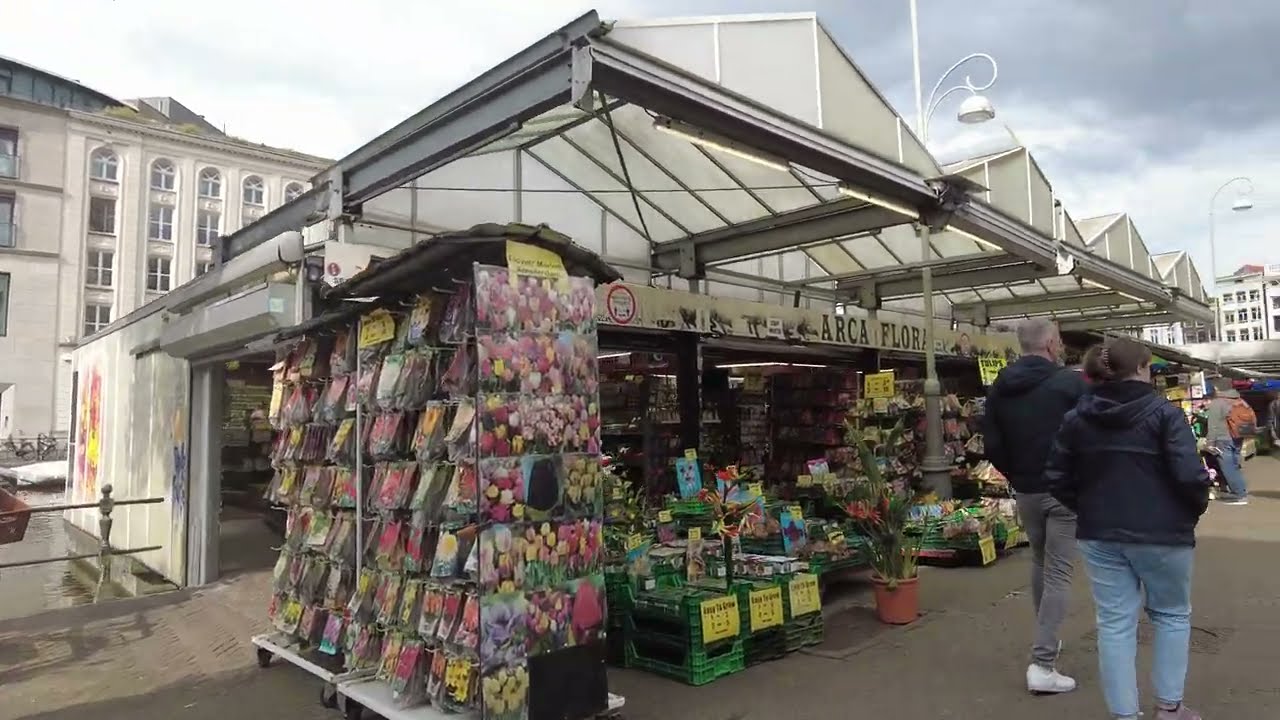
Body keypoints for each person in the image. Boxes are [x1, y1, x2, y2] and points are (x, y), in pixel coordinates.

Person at [1045, 338, 1210, 720]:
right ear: (1138, 369)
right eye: (1149, 366)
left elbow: (1056, 476)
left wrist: (1088, 509)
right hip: (1164, 533)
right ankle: (1169, 707)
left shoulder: (1077, 418)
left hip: (1100, 533)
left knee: (1114, 624)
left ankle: (1125, 714)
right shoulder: (1165, 415)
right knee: (1171, 615)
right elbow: (1190, 477)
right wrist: (1190, 512)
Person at [983, 317, 1087, 694]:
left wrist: (1017, 474)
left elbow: (991, 443)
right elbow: (1090, 434)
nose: (1061, 346)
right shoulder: (1070, 384)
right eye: (1058, 340)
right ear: (1049, 344)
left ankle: (1048, 639)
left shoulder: (1000, 387)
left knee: (1041, 562)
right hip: (1064, 492)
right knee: (1058, 571)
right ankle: (1042, 664)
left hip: (1026, 490)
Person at [1203, 383, 1250, 504]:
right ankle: (1241, 491)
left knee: (1228, 467)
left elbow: (1213, 426)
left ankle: (1239, 495)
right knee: (1234, 465)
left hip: (1222, 439)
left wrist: (1209, 443)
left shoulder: (1217, 403)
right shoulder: (1239, 400)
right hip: (1237, 437)